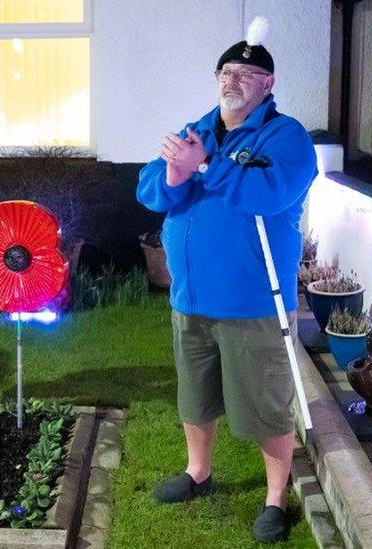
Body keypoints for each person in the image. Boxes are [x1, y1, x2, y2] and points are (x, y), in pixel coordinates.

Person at [136, 17, 318, 544]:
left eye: (245, 73)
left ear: (268, 84)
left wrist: (204, 166)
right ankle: (199, 471)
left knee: (265, 404)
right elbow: (150, 187)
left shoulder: (286, 138)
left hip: (252, 301)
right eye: (225, 71)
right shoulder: (198, 128)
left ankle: (275, 497)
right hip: (191, 298)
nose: (231, 80)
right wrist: (174, 174)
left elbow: (268, 193)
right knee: (195, 395)